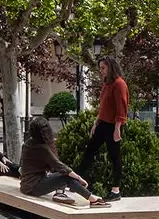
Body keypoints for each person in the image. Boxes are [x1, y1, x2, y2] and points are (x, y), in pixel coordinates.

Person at [20, 119, 107, 206]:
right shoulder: (42, 148)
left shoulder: (27, 144)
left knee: (61, 173)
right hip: (34, 187)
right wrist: (79, 178)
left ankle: (60, 193)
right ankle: (92, 199)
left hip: (25, 185)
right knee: (67, 176)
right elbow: (61, 167)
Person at [79, 58, 130, 199]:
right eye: (100, 68)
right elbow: (103, 107)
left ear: (111, 68)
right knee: (89, 152)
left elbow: (122, 108)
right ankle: (77, 182)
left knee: (115, 157)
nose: (101, 71)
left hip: (113, 126)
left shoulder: (119, 84)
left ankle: (116, 190)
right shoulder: (107, 84)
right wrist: (96, 124)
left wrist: (118, 128)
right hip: (103, 124)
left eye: (103, 68)